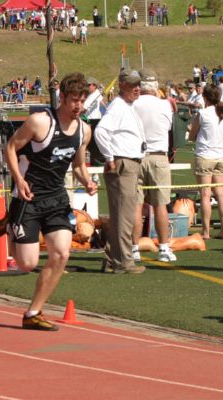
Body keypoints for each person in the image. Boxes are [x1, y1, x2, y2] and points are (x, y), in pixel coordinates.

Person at [0, 72, 97, 331]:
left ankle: (33, 312)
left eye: (82, 101)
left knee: (62, 253)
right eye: (73, 100)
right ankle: (10, 227)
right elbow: (10, 147)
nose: (78, 106)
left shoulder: (84, 131)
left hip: (56, 199)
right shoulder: (40, 122)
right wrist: (19, 180)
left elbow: (77, 164)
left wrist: (86, 180)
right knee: (27, 264)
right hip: (28, 198)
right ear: (61, 98)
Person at [94, 69, 147, 274]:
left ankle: (112, 258)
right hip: (123, 162)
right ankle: (123, 261)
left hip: (127, 161)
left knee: (121, 214)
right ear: (122, 86)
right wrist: (110, 157)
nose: (137, 88)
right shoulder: (118, 106)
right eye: (133, 85)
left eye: (138, 85)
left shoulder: (124, 105)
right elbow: (101, 131)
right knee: (124, 215)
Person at [132, 68, 177, 263]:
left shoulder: (132, 104)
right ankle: (164, 247)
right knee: (161, 205)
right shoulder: (165, 105)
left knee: (136, 205)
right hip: (159, 156)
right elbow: (167, 128)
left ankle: (133, 248)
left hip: (136, 156)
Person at [189, 85, 223, 239]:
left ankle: (206, 232)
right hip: (220, 156)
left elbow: (192, 136)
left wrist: (194, 131)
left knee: (205, 194)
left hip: (205, 156)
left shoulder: (203, 113)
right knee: (220, 194)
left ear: (205, 97)